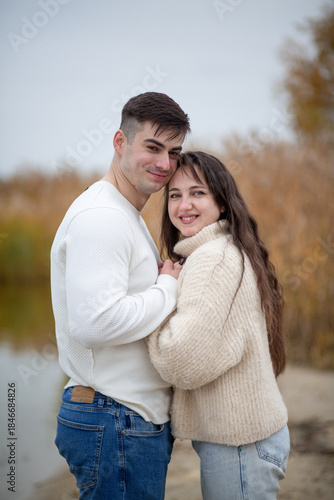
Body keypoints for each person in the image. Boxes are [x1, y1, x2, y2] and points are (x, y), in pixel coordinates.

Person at [50, 92, 190, 499]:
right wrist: (168, 288)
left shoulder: (124, 213)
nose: (165, 164)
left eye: (174, 152)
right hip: (114, 418)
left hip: (122, 418)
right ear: (119, 142)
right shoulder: (103, 217)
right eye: (153, 147)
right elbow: (95, 322)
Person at [148, 151, 290, 500]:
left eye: (198, 193)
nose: (184, 205)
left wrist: (160, 295)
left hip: (240, 446)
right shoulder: (222, 249)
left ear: (223, 202)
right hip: (245, 442)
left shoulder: (212, 260)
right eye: (175, 195)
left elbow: (181, 360)